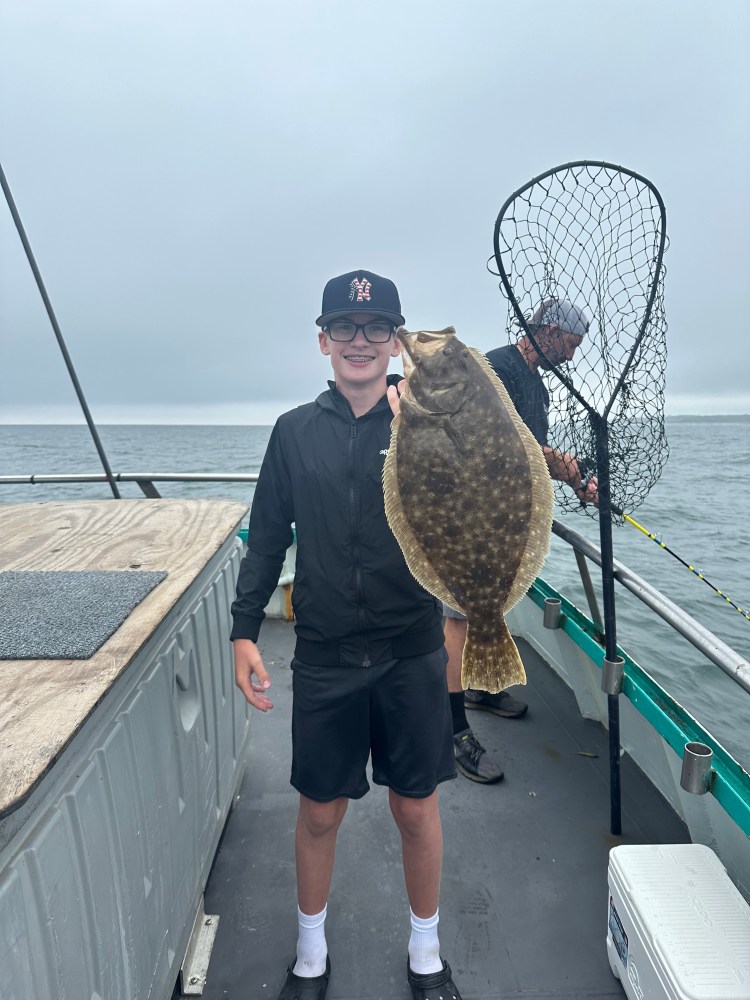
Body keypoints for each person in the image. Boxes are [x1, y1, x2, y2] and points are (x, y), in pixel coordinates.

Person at [231, 270, 463, 1000]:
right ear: (323, 339)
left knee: (415, 806)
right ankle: (310, 955)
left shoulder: (428, 421)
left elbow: (468, 507)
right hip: (328, 652)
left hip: (411, 648)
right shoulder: (293, 432)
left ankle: (426, 954)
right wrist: (244, 631)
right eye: (344, 327)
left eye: (375, 328)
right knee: (320, 812)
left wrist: (430, 426)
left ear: (396, 339)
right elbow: (267, 538)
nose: (359, 342)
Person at [448, 298, 599, 784]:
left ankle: (482, 688)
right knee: (458, 616)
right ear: (550, 331)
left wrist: (575, 479)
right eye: (572, 344)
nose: (573, 357)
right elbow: (492, 441)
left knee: (491, 608)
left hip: (508, 517)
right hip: (472, 517)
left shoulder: (538, 386)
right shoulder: (496, 368)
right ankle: (453, 730)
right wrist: (564, 464)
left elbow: (531, 459)